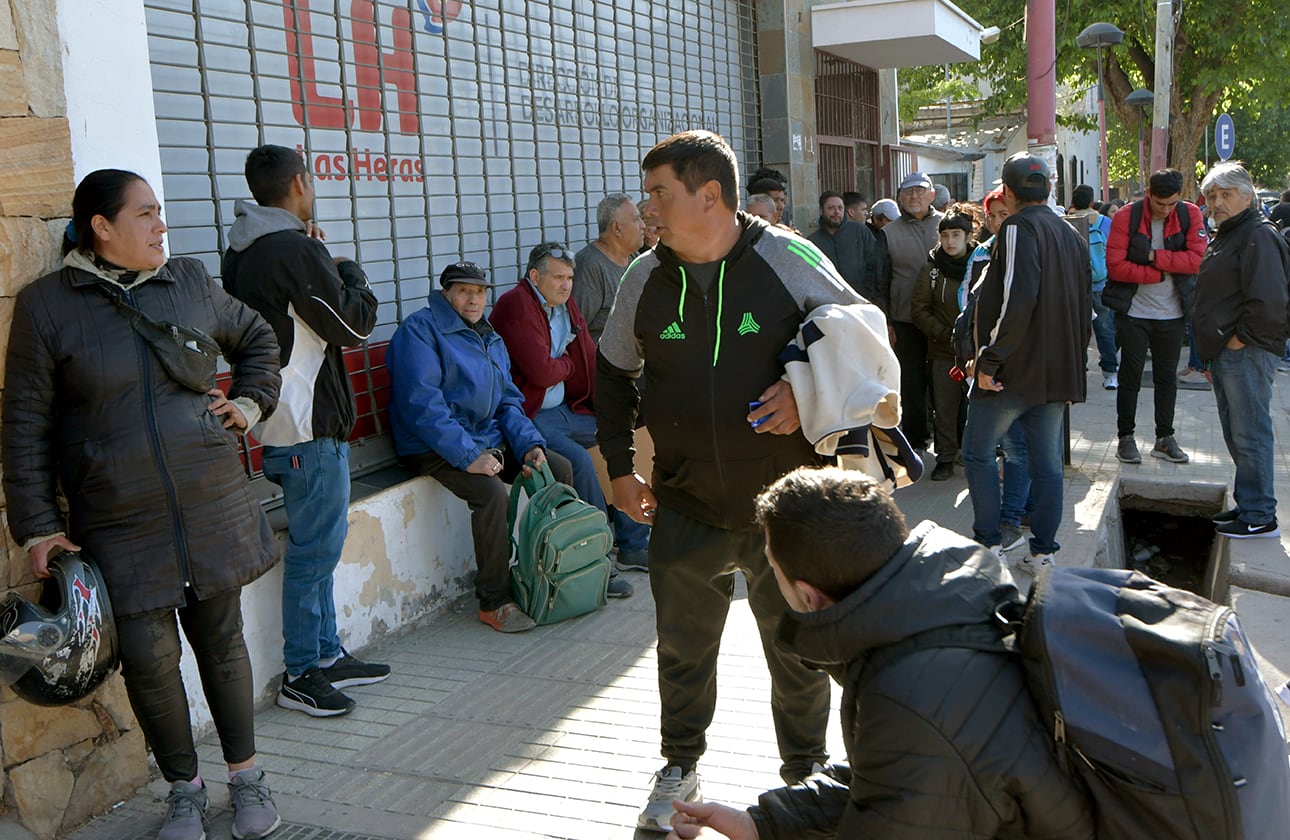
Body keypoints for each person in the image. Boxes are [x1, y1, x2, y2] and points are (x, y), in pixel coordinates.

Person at [2, 169, 284, 840]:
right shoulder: (47, 305)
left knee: (222, 646)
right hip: (118, 520)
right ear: (102, 227)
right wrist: (38, 526)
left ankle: (246, 778)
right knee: (151, 662)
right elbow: (25, 424)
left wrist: (247, 404)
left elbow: (261, 340)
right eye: (147, 213)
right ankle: (183, 791)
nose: (162, 224)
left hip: (209, 503)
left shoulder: (187, 281)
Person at [597, 130, 860, 832]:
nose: (646, 206)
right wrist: (621, 470)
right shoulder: (643, 277)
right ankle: (680, 762)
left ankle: (805, 773)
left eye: (659, 192)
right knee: (682, 650)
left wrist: (805, 390)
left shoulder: (786, 254)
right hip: (683, 503)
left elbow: (863, 335)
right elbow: (613, 375)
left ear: (708, 195)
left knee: (797, 652)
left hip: (788, 509)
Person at [663, 467, 1095, 840]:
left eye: (773, 569)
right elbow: (893, 780)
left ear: (809, 597)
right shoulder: (948, 591)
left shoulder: (908, 696)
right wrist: (764, 824)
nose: (768, 577)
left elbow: (911, 760)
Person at [222, 144, 389, 719]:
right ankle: (301, 673)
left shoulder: (242, 250)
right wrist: (347, 270)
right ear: (298, 184)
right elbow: (353, 325)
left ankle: (325, 653)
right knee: (315, 556)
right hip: (305, 421)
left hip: (280, 419)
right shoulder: (291, 248)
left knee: (318, 549)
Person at [388, 261, 581, 632]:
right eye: (463, 290)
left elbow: (509, 400)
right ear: (445, 293)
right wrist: (469, 456)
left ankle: (563, 573)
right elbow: (423, 407)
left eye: (479, 291)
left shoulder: (488, 335)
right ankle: (495, 600)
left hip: (484, 440)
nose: (473, 298)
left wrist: (528, 445)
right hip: (433, 445)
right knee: (492, 496)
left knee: (557, 468)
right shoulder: (420, 330)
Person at [960, 152, 1090, 574]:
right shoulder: (1071, 233)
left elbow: (1018, 297)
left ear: (1009, 193)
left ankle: (990, 544)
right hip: (1055, 371)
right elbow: (1085, 308)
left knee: (978, 452)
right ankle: (1044, 554)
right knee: (1046, 464)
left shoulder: (1017, 227)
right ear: (1049, 188)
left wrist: (989, 360)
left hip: (1012, 371)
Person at [491, 241, 643, 589]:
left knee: (619, 441)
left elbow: (586, 357)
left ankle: (634, 542)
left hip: (566, 409)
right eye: (558, 277)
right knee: (579, 463)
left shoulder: (563, 305)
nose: (566, 285)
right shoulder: (516, 305)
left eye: (570, 277)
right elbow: (542, 372)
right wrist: (567, 365)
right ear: (534, 276)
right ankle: (599, 562)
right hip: (531, 416)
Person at [1193, 161, 1290, 539]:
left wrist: (1237, 340)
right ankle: (1249, 504)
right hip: (1227, 351)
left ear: (1247, 196)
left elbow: (1268, 299)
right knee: (1238, 433)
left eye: (1225, 195)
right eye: (1212, 196)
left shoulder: (1257, 234)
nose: (1217, 202)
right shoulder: (1231, 232)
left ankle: (1260, 514)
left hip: (1246, 350)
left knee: (1250, 433)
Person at [1104, 168, 1206, 466]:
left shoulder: (1189, 215)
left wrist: (1152, 257)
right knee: (1130, 376)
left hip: (1172, 314)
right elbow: (1116, 267)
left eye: (1171, 203)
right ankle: (1126, 438)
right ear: (1149, 194)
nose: (1165, 209)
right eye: (1160, 203)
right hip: (1134, 311)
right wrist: (1161, 272)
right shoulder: (1127, 216)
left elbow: (1197, 260)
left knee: (1166, 378)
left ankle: (1165, 437)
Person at [878, 172, 944, 452]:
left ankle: (949, 440)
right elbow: (880, 280)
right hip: (904, 318)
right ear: (899, 199)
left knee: (944, 380)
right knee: (912, 381)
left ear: (932, 195)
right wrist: (887, 321)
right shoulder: (887, 233)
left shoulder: (947, 223)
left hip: (944, 315)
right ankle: (917, 438)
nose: (914, 196)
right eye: (908, 192)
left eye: (920, 191)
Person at [912, 205, 977, 481]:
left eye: (956, 235)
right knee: (945, 408)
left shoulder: (980, 263)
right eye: (945, 235)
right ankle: (946, 457)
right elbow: (919, 309)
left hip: (975, 351)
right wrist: (945, 333)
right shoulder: (932, 269)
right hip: (943, 351)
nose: (950, 242)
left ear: (968, 236)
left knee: (977, 406)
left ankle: (974, 454)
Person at [572, 193, 646, 343]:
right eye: (636, 219)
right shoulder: (590, 266)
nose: (643, 226)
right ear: (617, 228)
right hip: (603, 363)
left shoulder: (634, 258)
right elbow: (575, 328)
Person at [1068, 184, 1118, 389]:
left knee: (1076, 332)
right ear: (1091, 201)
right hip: (1101, 284)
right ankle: (1110, 374)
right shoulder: (1105, 222)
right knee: (1105, 330)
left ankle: (1078, 371)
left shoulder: (1067, 222)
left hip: (1075, 287)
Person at [806, 190, 880, 302]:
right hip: (829, 304)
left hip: (862, 301)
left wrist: (869, 293)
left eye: (840, 208)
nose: (836, 212)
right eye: (831, 208)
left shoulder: (860, 231)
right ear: (821, 211)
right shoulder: (812, 242)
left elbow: (876, 263)